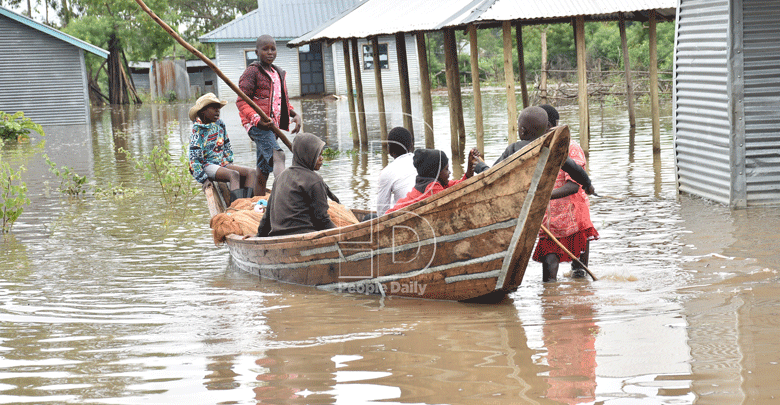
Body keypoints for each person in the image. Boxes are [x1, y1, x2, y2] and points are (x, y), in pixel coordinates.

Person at [529, 105, 599, 281]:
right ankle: (551, 303)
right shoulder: (538, 148)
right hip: (550, 219)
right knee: (549, 272)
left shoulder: (571, 148)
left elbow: (573, 186)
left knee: (579, 273)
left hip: (572, 217)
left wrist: (542, 196)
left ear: (549, 126)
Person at [472, 107, 595, 195]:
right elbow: (575, 169)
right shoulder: (552, 150)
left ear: (523, 130)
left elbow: (493, 175)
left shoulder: (514, 148)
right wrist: (587, 184)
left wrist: (480, 166)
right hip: (537, 195)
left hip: (516, 195)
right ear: (547, 127)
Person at [237, 34, 302, 194]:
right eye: (265, 49)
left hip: (272, 126)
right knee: (278, 156)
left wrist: (295, 114)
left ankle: (258, 202)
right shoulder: (252, 72)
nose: (270, 52)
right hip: (258, 125)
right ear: (256, 52)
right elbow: (241, 101)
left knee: (263, 168)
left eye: (273, 49)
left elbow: (281, 101)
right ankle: (285, 196)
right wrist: (257, 120)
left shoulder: (277, 73)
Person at [256, 133, 335, 237]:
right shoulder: (315, 181)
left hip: (278, 237)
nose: (321, 158)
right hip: (305, 235)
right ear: (307, 155)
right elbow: (322, 220)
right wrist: (340, 235)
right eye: (318, 155)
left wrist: (258, 237)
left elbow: (267, 218)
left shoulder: (280, 177)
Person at [188, 93, 258, 203]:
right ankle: (237, 208)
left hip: (222, 163)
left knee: (252, 172)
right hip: (207, 165)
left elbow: (226, 145)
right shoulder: (198, 130)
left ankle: (246, 205)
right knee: (233, 175)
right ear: (203, 112)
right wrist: (204, 179)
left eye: (218, 108)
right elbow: (194, 160)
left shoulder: (220, 124)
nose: (217, 111)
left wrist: (229, 163)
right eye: (213, 108)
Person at [387, 148, 478, 214]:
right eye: (446, 169)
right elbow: (452, 204)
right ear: (436, 173)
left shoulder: (438, 184)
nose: (449, 172)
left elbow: (462, 185)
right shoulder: (432, 188)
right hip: (391, 218)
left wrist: (470, 166)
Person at [376, 127, 417, 215]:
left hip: (404, 216)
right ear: (411, 146)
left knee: (368, 217)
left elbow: (382, 210)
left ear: (389, 150)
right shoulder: (422, 160)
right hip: (423, 209)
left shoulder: (386, 172)